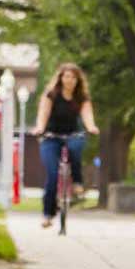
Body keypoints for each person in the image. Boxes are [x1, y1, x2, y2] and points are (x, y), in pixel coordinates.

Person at [32, 62, 100, 228]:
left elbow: (87, 115)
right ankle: (48, 214)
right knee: (52, 174)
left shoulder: (81, 97)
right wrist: (40, 127)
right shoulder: (51, 95)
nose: (69, 80)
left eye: (73, 77)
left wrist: (91, 126)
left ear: (78, 80)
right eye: (66, 76)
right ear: (61, 78)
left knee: (75, 148)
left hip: (72, 135)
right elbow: (43, 114)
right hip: (51, 137)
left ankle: (77, 181)